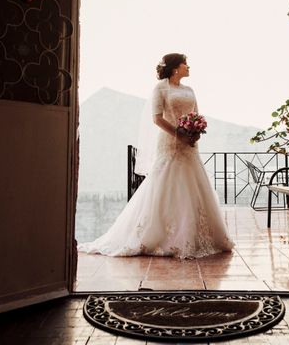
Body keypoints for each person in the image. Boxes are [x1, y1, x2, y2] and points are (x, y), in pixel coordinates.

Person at [77, 53, 234, 259]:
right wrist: (179, 134)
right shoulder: (161, 88)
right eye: (185, 64)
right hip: (170, 143)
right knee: (164, 184)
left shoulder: (190, 90)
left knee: (192, 185)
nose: (189, 67)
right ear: (175, 68)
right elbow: (157, 119)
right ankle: (163, 236)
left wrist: (195, 131)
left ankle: (198, 235)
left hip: (190, 145)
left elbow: (197, 114)